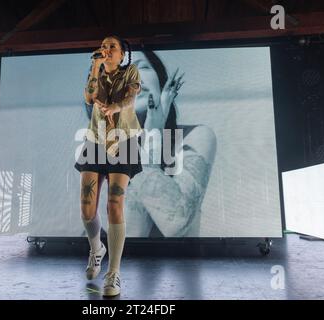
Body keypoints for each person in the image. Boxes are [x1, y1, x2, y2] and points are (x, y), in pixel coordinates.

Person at [74, 35, 143, 297]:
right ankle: (96, 249)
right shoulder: (97, 72)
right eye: (103, 46)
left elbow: (130, 99)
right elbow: (90, 98)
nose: (106, 49)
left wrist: (115, 107)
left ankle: (113, 274)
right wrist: (94, 67)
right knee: (86, 207)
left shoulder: (131, 71)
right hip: (95, 139)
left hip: (123, 139)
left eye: (112, 46)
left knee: (114, 204)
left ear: (123, 54)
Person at [124, 50, 217, 237]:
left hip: (181, 264)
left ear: (159, 78)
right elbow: (134, 233)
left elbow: (175, 223)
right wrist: (152, 139)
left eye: (142, 67)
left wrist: (153, 135)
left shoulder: (195, 136)